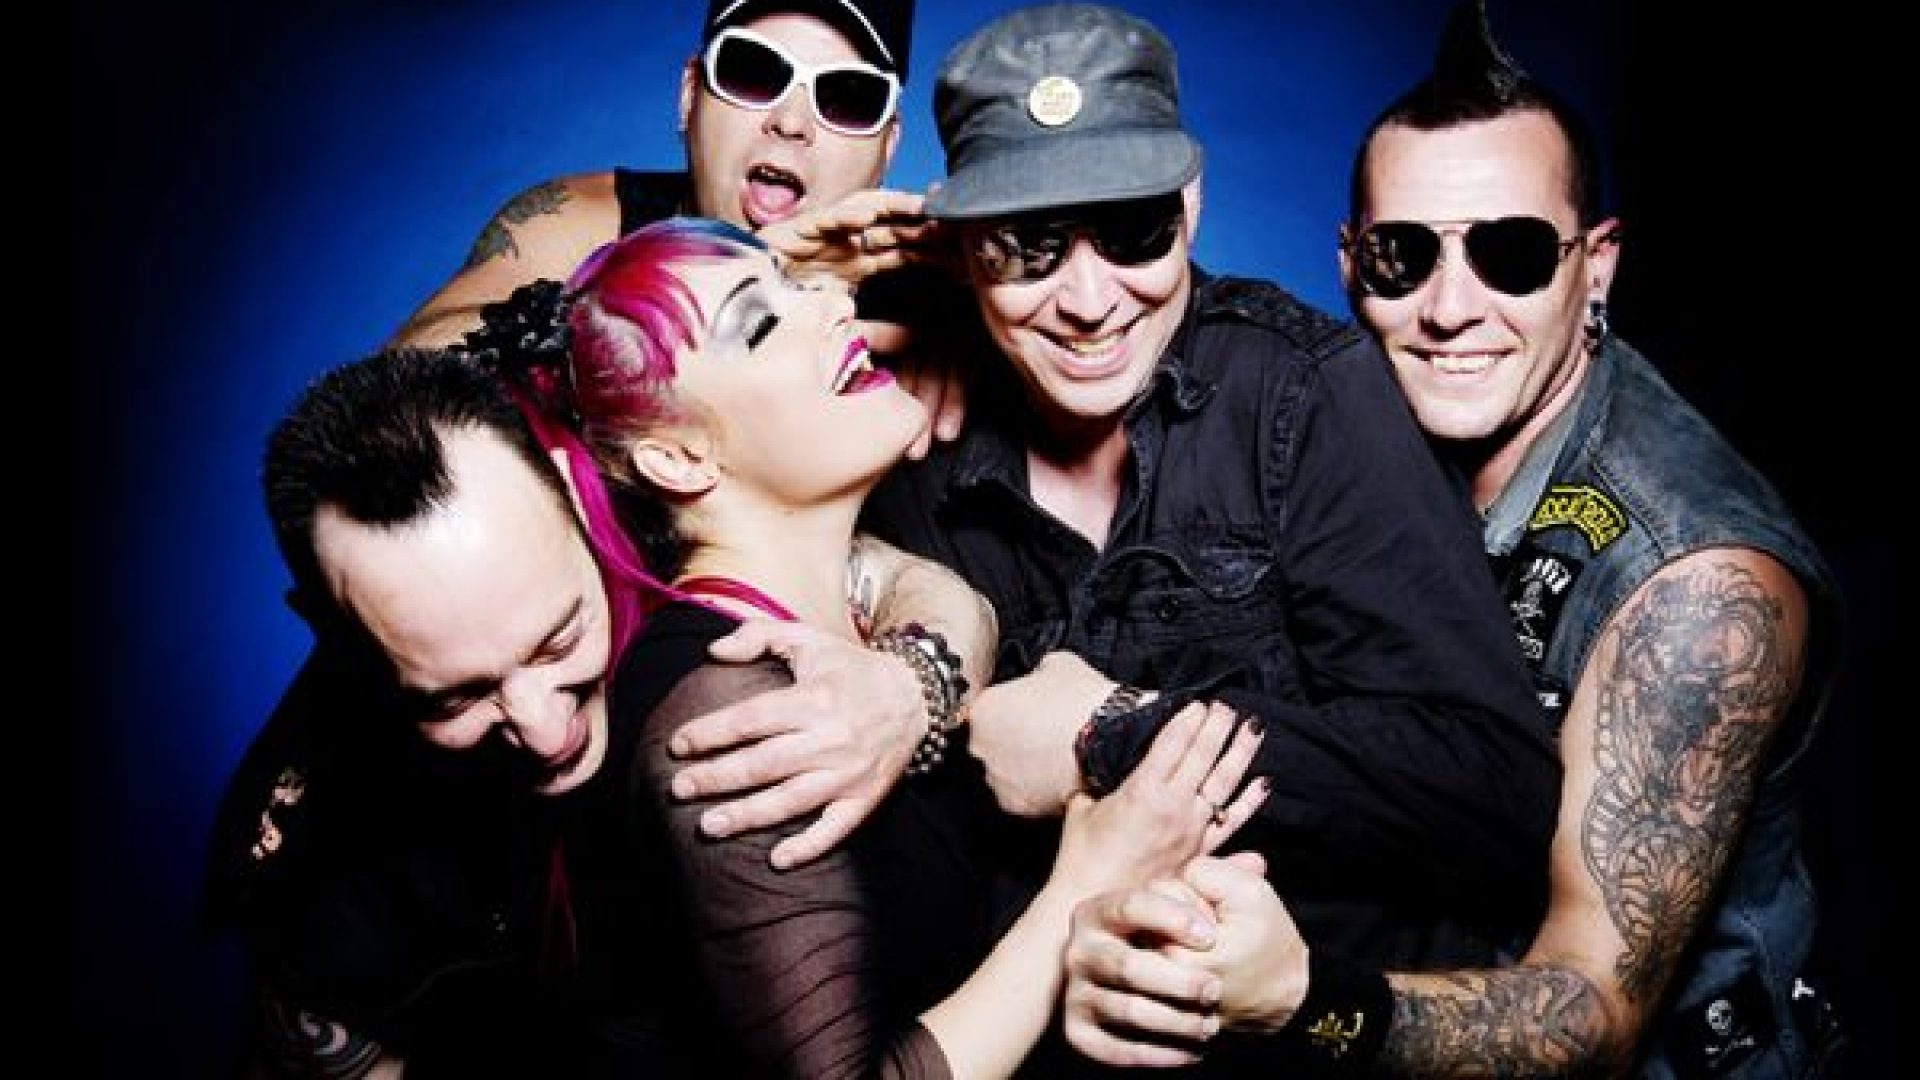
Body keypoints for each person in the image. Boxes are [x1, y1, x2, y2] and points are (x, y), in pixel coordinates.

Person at [653, 11, 1561, 1076]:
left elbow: (1498, 795)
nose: (1089, 302)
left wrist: (1118, 732)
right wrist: (786, 271)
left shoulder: (1300, 394)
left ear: (1191, 204)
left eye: (1132, 234)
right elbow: (634, 480)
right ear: (959, 245)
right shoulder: (894, 419)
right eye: (1028, 247)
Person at [210, 217, 1268, 1077]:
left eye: (560, 637)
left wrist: (916, 681)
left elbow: (907, 585)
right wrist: (1080, 889)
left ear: (583, 508)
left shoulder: (687, 571)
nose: (541, 725)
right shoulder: (709, 715)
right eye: (456, 697)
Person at [1057, 4, 1848, 1077]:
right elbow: (1124, 309)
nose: (1449, 308)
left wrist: (1302, 1000)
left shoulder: (1697, 588)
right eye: (1403, 255)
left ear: (1596, 265)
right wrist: (920, 330)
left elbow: (1592, 1017)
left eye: (1511, 255)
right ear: (1350, 264)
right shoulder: (1340, 426)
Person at [388, 0, 930, 351]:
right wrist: (714, 295)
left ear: (887, 147)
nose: (790, 122)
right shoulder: (584, 226)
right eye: (752, 70)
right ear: (690, 96)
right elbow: (403, 376)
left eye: (849, 98)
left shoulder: (931, 313)